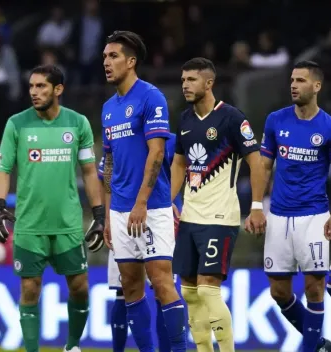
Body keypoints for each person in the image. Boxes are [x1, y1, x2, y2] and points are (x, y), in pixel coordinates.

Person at [0, 64, 104, 352]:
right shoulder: (16, 123)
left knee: (79, 286)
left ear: (58, 89)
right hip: (29, 225)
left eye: (41, 86)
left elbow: (90, 172)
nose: (34, 92)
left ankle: (72, 346)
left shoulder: (77, 123)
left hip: (67, 223)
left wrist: (99, 214)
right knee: (30, 289)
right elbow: (4, 169)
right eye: (31, 86)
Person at [171, 57, 266, 352]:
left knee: (208, 288)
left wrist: (257, 206)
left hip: (220, 216)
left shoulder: (232, 118)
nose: (185, 84)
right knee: (189, 291)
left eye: (192, 80)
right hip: (190, 215)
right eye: (183, 79)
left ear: (209, 83)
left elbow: (258, 163)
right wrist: (166, 202)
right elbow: (178, 164)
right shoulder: (185, 119)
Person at [101, 30, 187, 352]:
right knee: (130, 286)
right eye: (105, 58)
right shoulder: (109, 108)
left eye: (113, 57)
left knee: (162, 282)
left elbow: (156, 153)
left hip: (152, 207)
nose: (107, 63)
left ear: (131, 61)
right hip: (120, 210)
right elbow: (109, 165)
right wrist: (110, 215)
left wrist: (141, 203)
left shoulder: (151, 97)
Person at [253, 60, 331, 352]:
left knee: (314, 287)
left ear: (316, 86)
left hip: (314, 215)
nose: (294, 85)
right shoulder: (276, 120)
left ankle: (312, 349)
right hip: (279, 215)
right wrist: (257, 205)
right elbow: (264, 164)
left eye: (300, 80)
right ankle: (320, 344)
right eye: (292, 80)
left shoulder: (328, 126)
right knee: (279, 291)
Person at [99, 132, 183, 352]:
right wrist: (106, 217)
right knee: (123, 289)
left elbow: (184, 170)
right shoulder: (117, 132)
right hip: (120, 216)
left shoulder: (172, 140)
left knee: (163, 288)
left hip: (158, 217)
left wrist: (171, 199)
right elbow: (105, 174)